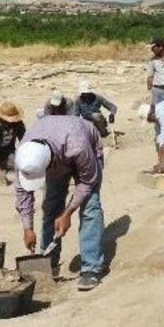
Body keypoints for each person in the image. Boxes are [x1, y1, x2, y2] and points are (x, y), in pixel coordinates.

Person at [14, 116, 105, 291]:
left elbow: (87, 182)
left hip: (86, 150)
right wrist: (27, 228)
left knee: (90, 207)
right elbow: (22, 192)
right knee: (51, 208)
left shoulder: (78, 145)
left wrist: (68, 213)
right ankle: (48, 263)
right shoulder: (25, 154)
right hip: (58, 153)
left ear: (49, 164)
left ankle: (91, 268)